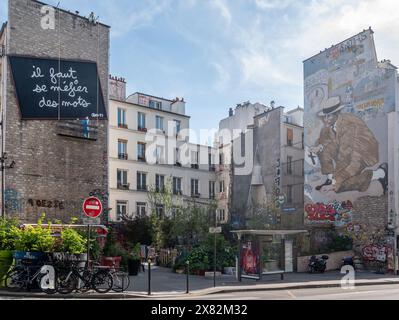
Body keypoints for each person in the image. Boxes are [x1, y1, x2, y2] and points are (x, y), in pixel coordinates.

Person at [310, 97, 387, 194]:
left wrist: (335, 183)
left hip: (363, 152)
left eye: (328, 116)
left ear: (336, 114)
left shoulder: (348, 126)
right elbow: (323, 139)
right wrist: (318, 146)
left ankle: (380, 173)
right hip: (346, 151)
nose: (326, 120)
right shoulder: (330, 124)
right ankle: (330, 179)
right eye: (324, 116)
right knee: (322, 148)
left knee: (340, 185)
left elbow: (346, 159)